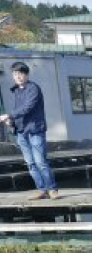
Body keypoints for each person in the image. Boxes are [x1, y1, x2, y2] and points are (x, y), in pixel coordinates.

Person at [0, 62, 59, 199]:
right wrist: (11, 121)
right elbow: (18, 111)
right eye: (15, 74)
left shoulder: (33, 88)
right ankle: (42, 190)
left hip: (35, 130)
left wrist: (8, 115)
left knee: (40, 162)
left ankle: (52, 189)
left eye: (21, 73)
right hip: (21, 131)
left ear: (26, 74)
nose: (18, 76)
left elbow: (28, 107)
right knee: (30, 163)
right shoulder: (16, 90)